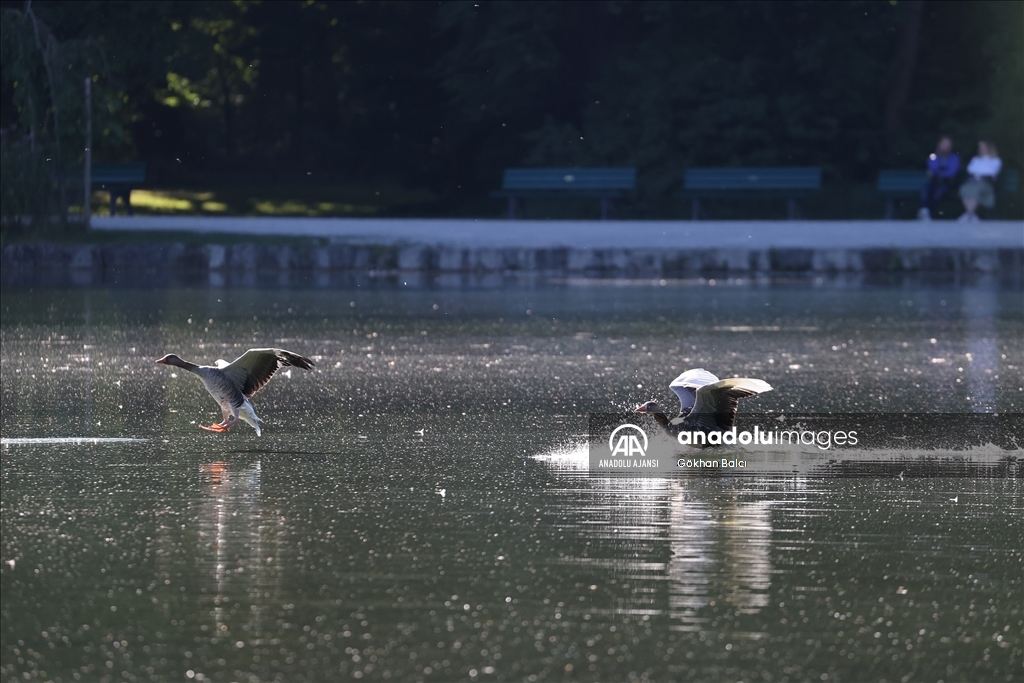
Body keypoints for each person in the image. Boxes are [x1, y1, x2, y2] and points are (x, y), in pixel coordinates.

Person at [958, 141, 1002, 222]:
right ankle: (971, 215)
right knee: (964, 189)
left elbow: (992, 172)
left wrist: (979, 172)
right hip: (973, 181)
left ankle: (968, 215)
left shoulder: (995, 160)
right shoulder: (976, 159)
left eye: (984, 147)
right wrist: (980, 172)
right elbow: (970, 169)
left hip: (986, 183)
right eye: (980, 147)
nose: (982, 149)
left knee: (975, 190)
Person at [918, 136, 959, 220]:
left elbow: (951, 172)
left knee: (938, 191)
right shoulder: (934, 156)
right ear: (939, 144)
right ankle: (925, 211)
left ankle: (925, 211)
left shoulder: (954, 158)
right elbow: (931, 167)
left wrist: (938, 172)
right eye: (944, 144)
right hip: (933, 182)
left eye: (948, 144)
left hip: (947, 183)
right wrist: (942, 170)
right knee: (925, 189)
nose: (945, 147)